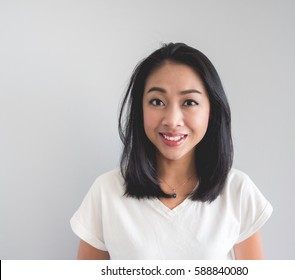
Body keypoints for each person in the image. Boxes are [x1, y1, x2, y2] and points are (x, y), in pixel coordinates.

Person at [70, 42, 273, 260]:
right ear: (140, 109)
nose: (172, 120)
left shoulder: (237, 192)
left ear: (211, 111)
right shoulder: (106, 192)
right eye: (157, 101)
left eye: (189, 102)